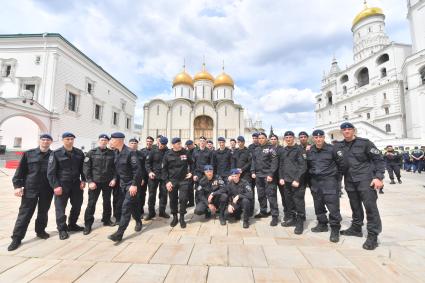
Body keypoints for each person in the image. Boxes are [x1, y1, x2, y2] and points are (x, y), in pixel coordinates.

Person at [335, 122, 384, 250]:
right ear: (341, 132)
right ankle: (356, 228)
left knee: (370, 207)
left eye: (349, 129)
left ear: (353, 130)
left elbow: (378, 159)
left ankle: (373, 235)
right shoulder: (338, 146)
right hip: (349, 181)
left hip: (365, 180)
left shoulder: (365, 143)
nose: (346, 131)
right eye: (344, 130)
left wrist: (378, 177)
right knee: (355, 206)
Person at [8, 134, 54, 251]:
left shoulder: (54, 155)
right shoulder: (29, 154)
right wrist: (17, 186)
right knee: (25, 213)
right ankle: (17, 238)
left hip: (47, 189)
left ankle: (40, 231)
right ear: (40, 141)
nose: (45, 142)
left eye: (48, 140)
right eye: (43, 140)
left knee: (43, 212)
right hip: (30, 188)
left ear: (51, 142)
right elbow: (20, 171)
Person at [47, 132, 86, 240]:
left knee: (77, 205)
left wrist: (83, 180)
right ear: (63, 140)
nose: (70, 141)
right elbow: (51, 172)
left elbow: (83, 169)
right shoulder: (56, 153)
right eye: (67, 139)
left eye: (71, 139)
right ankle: (62, 229)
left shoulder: (79, 153)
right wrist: (55, 186)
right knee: (60, 208)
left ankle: (72, 224)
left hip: (76, 184)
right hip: (62, 184)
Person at [307, 130, 343, 243]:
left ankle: (335, 229)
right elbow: (308, 165)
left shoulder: (332, 149)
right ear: (313, 138)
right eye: (316, 137)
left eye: (320, 137)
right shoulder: (310, 150)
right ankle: (322, 224)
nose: (318, 139)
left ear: (323, 138)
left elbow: (342, 165)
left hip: (329, 181)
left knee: (333, 207)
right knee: (318, 205)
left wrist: (337, 180)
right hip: (315, 182)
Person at [108, 132, 143, 242]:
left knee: (126, 207)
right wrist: (114, 179)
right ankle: (138, 220)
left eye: (112, 140)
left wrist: (134, 185)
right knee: (133, 206)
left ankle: (119, 233)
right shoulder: (116, 152)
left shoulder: (130, 153)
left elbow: (137, 171)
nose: (110, 142)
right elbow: (117, 169)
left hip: (131, 185)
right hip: (123, 185)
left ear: (119, 140)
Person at [82, 134, 116, 235]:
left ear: (108, 142)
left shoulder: (112, 153)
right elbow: (86, 168)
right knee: (91, 203)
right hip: (95, 182)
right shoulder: (91, 153)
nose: (104, 141)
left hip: (107, 182)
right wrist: (90, 181)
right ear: (98, 141)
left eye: (106, 140)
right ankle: (88, 224)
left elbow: (115, 168)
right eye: (102, 140)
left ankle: (106, 220)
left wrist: (114, 179)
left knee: (107, 202)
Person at [278, 131, 307, 234]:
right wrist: (281, 177)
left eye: (290, 137)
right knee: (289, 201)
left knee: (298, 202)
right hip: (286, 181)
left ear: (293, 138)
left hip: (296, 182)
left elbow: (303, 166)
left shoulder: (299, 149)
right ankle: (292, 219)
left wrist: (297, 179)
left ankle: (300, 223)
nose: (288, 139)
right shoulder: (283, 150)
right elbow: (281, 165)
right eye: (286, 137)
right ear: (285, 139)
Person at [161, 137, 193, 228]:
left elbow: (192, 163)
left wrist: (191, 172)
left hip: (184, 180)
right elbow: (164, 170)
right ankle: (175, 217)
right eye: (178, 144)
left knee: (183, 199)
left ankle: (182, 217)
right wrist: (167, 182)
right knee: (173, 200)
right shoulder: (168, 154)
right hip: (172, 181)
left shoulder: (185, 152)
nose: (180, 145)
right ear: (173, 145)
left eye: (180, 143)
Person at [251, 132, 279, 226]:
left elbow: (274, 162)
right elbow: (253, 161)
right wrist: (253, 171)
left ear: (266, 139)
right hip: (259, 176)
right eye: (259, 138)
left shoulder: (271, 148)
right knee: (261, 195)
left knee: (271, 195)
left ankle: (275, 216)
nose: (261, 139)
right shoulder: (256, 149)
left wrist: (271, 174)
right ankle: (263, 211)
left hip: (268, 176)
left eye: (262, 138)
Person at [144, 136, 170, 220]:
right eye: (160, 144)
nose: (161, 146)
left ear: (166, 144)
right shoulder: (153, 151)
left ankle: (162, 212)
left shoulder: (168, 152)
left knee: (164, 194)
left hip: (164, 177)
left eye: (163, 144)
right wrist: (149, 172)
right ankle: (151, 213)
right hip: (153, 176)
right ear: (158, 142)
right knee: (151, 195)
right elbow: (147, 163)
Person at [192, 136, 214, 206]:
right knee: (198, 189)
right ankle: (198, 205)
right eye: (201, 141)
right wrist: (194, 174)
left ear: (205, 142)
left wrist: (210, 174)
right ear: (199, 142)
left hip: (206, 175)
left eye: (203, 141)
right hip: (198, 174)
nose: (202, 142)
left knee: (207, 189)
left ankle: (207, 206)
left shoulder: (209, 152)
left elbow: (212, 164)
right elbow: (193, 164)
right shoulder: (195, 151)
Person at [185, 140, 196, 207]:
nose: (188, 146)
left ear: (192, 144)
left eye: (189, 145)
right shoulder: (187, 152)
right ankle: (191, 202)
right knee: (189, 188)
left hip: (196, 171)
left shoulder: (196, 151)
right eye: (187, 145)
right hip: (190, 172)